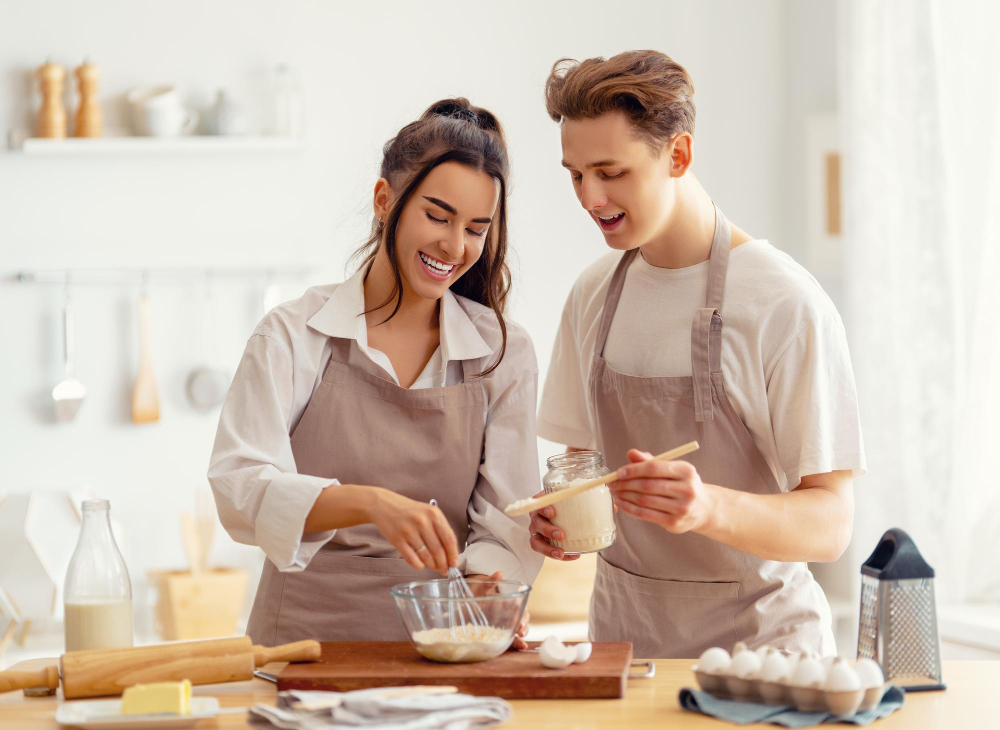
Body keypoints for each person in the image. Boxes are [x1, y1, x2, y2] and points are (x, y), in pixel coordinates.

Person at [530, 51, 866, 658]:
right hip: (624, 652)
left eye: (611, 171)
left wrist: (707, 506)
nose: (589, 196)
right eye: (575, 173)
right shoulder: (592, 293)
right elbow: (581, 465)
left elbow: (831, 523)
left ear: (678, 156)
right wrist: (561, 519)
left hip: (760, 656)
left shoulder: (783, 303)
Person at [208, 98, 542, 646]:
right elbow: (239, 488)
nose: (455, 246)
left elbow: (506, 523)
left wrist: (489, 589)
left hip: (441, 649)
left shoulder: (500, 353)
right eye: (437, 216)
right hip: (301, 650)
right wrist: (369, 502)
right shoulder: (295, 336)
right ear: (384, 200)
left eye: (476, 229)